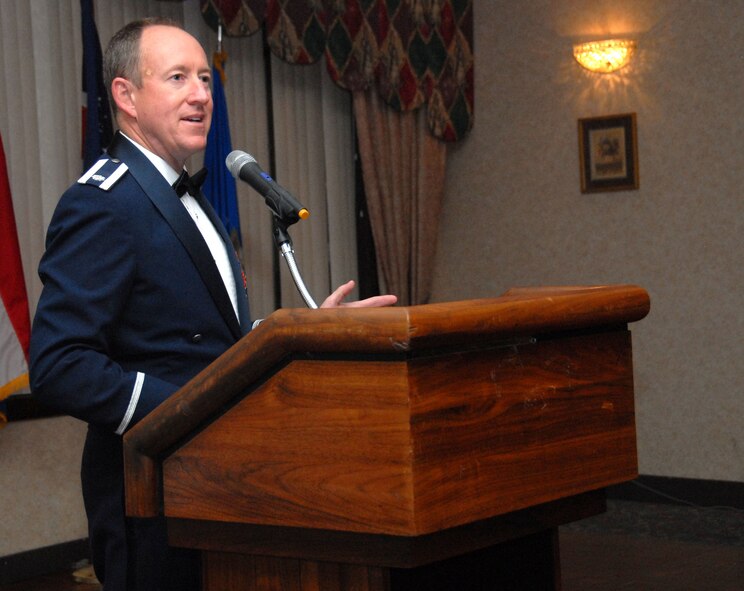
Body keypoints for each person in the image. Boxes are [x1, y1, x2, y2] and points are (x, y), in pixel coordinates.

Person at [29, 17, 395, 591]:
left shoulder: (189, 195)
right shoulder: (103, 203)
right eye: (178, 78)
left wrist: (302, 336)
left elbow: (203, 336)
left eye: (204, 78)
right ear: (125, 96)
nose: (202, 93)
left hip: (218, 488)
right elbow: (58, 365)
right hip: (152, 496)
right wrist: (187, 411)